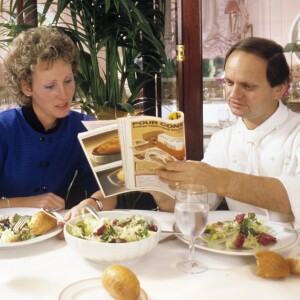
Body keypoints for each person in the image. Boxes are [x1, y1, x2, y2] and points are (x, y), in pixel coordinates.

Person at [157, 37, 300, 227]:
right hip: (240, 251)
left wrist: (218, 179)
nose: (233, 94)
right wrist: (153, 182)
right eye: (229, 82)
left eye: (247, 86)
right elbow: (196, 204)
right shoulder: (223, 140)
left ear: (279, 89)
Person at [0, 26, 116, 218]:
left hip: (56, 234)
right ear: (27, 87)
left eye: (68, 81)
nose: (63, 94)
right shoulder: (4, 128)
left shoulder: (85, 128)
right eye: (50, 86)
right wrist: (25, 203)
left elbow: (109, 192)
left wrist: (93, 204)